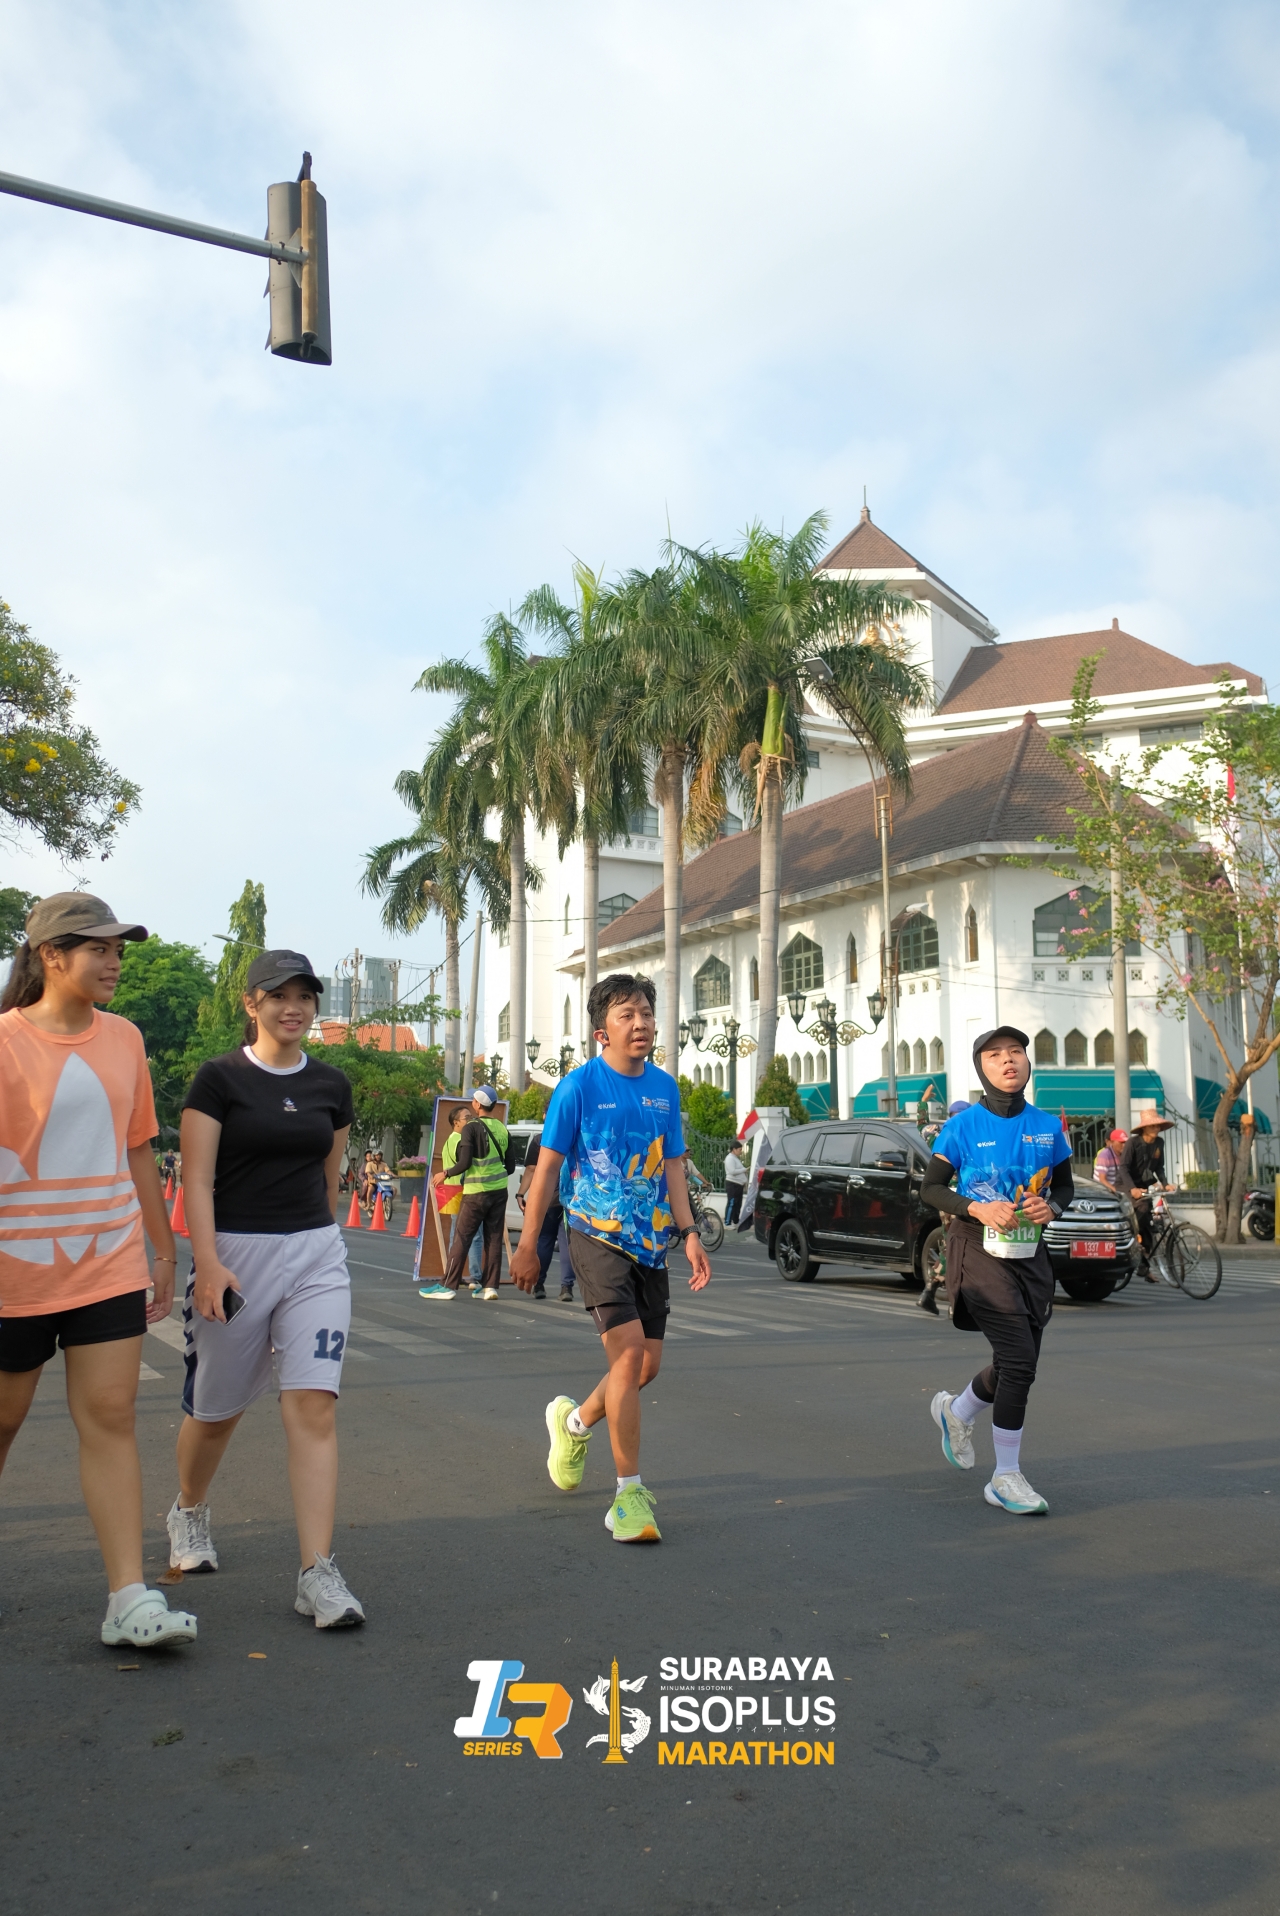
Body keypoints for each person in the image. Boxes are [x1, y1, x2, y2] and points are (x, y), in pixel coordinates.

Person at [0, 892, 197, 1648]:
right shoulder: (5, 1042)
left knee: (111, 1418)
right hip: (16, 1269)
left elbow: (137, 1146)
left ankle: (128, 1598)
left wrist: (161, 1248)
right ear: (52, 956)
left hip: (107, 1260)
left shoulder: (124, 1038)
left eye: (119, 949)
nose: (115, 962)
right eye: (99, 949)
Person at [167, 949, 365, 1629]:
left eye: (305, 996)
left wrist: (319, 1241)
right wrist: (208, 1262)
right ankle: (189, 1508)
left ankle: (317, 1571)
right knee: (215, 1411)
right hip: (234, 1257)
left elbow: (329, 1178)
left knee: (314, 1406)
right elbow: (196, 1179)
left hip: (314, 1255)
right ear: (251, 1003)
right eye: (279, 995)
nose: (294, 1007)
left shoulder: (332, 1084)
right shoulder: (219, 1078)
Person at [512, 972, 711, 1544]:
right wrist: (528, 1244)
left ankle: (574, 1423)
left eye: (646, 1012)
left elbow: (673, 1167)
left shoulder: (665, 1089)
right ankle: (628, 1495)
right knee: (626, 1359)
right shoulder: (577, 1088)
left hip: (650, 1242)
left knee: (646, 1367)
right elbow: (547, 1169)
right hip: (595, 1235)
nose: (641, 1023)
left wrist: (689, 1232)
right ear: (602, 1031)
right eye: (627, 1015)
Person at [921, 1027, 1074, 1516]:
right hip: (977, 1249)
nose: (1009, 1060)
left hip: (1030, 1253)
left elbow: (1064, 1188)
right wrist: (977, 1208)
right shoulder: (962, 1126)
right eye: (995, 1055)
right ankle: (1006, 1477)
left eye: (1016, 1052)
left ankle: (956, 1410)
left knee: (1015, 1363)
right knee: (1020, 1361)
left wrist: (1052, 1207)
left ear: (1027, 1063)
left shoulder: (1047, 1126)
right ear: (981, 1068)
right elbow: (931, 1188)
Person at [419, 1087, 512, 1301]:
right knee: (494, 1238)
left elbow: (465, 1162)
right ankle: (490, 1287)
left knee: (462, 1237)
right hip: (499, 1191)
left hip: (476, 1192)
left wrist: (445, 1173)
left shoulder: (471, 1128)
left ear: (477, 1104)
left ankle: (448, 1286)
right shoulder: (502, 1128)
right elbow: (510, 1166)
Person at [917, 1101, 971, 1315]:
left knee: (951, 1246)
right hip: (965, 1200)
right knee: (960, 1248)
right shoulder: (971, 1135)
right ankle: (953, 1301)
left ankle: (930, 1291)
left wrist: (923, 1103)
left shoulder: (941, 1136)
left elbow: (922, 1126)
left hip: (945, 1198)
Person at [1118, 1106, 1176, 1279]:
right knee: (1141, 1212)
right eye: (1152, 1126)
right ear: (1144, 1128)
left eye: (1157, 1126)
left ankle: (1143, 1265)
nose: (1156, 1129)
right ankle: (1128, 1240)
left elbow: (1159, 1167)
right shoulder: (1133, 1143)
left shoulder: (1159, 1143)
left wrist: (1165, 1184)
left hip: (1144, 1186)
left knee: (1149, 1225)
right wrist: (1132, 1189)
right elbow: (1123, 1168)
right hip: (1126, 1185)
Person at [434, 1106, 484, 1295]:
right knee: (475, 1234)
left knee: (457, 1236)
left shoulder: (450, 1140)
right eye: (467, 1117)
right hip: (464, 1191)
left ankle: (452, 1274)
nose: (471, 1120)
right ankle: (475, 1277)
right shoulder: (462, 1141)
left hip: (451, 1192)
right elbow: (464, 1165)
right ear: (456, 1122)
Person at [723, 1140, 748, 1226]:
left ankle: (735, 1221)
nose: (741, 1151)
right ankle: (727, 1223)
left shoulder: (735, 1159)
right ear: (734, 1149)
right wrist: (744, 1170)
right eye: (740, 1149)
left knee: (738, 1204)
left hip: (738, 1185)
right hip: (732, 1184)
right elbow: (732, 1171)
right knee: (732, 1203)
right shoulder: (729, 1158)